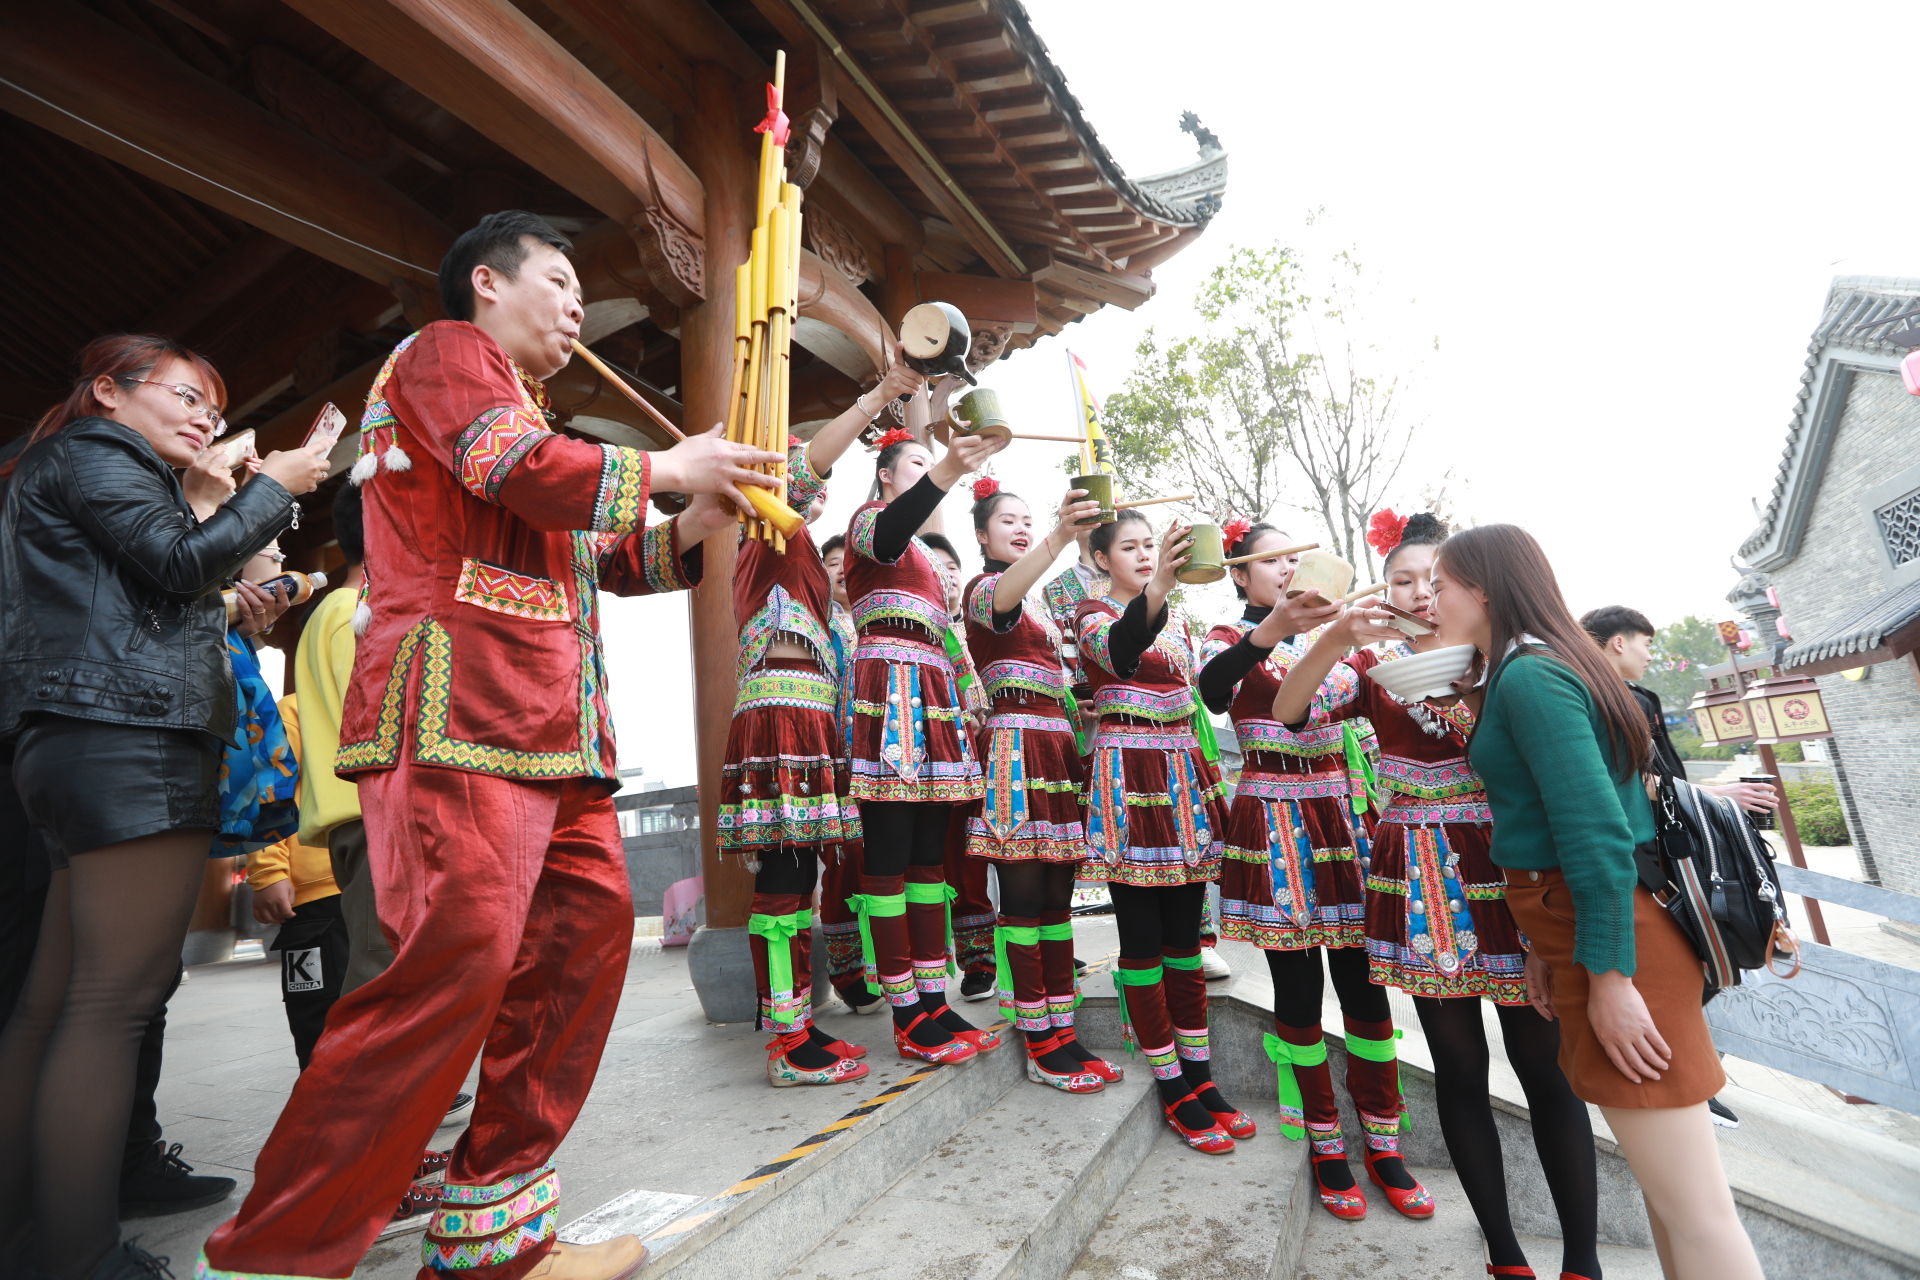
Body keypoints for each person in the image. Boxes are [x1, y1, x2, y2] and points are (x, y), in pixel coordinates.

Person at [199, 210, 783, 1280]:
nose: (574, 306)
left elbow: (619, 559)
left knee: (577, 954)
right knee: (448, 971)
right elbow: (514, 466)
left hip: (555, 729)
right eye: (557, 282)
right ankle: (273, 1252)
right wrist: (666, 460)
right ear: (485, 284)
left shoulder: (533, 412)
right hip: (457, 708)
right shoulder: (442, 356)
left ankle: (494, 1234)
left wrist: (703, 509)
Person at [0, 334, 330, 1280]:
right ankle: (78, 1254)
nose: (203, 418)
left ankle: (29, 1237)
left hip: (81, 740)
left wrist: (223, 533)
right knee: (110, 1007)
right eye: (185, 396)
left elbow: (153, 587)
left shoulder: (62, 466)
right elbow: (177, 562)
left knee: (53, 1007)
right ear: (107, 390)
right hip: (127, 741)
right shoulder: (98, 453)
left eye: (214, 411)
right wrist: (283, 485)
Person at [1435, 524, 1763, 1280]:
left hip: (1619, 946)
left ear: (1483, 589)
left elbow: (1595, 835)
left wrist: (1611, 977)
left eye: (1443, 584)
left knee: (1698, 1212)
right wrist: (1545, 952)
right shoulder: (1532, 667)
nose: (1431, 600)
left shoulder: (1531, 677)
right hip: (1579, 936)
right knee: (1671, 1202)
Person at [1277, 514, 1601, 1274]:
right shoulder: (1371, 672)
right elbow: (1290, 712)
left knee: (1547, 1070)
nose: (1421, 594)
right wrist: (1335, 638)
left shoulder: (1504, 662)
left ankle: (1582, 1261)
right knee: (1459, 1072)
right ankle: (1504, 1253)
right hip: (1416, 879)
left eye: (1436, 580)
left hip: (1509, 875)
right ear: (1381, 589)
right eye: (1403, 580)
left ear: (1467, 589)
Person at [1198, 521, 1426, 1219]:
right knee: (1296, 989)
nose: (1291, 568)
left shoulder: (1354, 642)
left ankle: (1383, 1143)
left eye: (1300, 558)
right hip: (1272, 822)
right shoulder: (1226, 640)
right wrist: (1274, 629)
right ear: (1241, 575)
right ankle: (1326, 1140)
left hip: (1342, 816)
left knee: (1363, 985)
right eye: (1274, 560)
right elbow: (1212, 691)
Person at [717, 354, 923, 1085]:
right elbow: (809, 465)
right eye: (797, 480)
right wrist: (877, 398)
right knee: (784, 877)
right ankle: (787, 1041)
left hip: (798, 712)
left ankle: (796, 1027)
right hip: (782, 710)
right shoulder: (768, 528)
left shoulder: (788, 543)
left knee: (794, 875)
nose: (814, 488)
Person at [1075, 512, 1248, 1152]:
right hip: (1126, 781)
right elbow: (1121, 652)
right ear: (1100, 558)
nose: (1145, 555)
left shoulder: (1176, 619)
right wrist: (1159, 591)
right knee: (1142, 938)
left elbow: (1203, 692)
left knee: (1184, 936)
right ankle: (1171, 1080)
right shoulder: (1092, 613)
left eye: (1152, 546)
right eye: (1130, 547)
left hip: (1179, 775)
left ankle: (1200, 1076)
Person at [843, 422, 1003, 1063]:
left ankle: (934, 1001)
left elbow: (951, 642)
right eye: (915, 463)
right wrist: (948, 470)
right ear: (886, 475)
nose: (928, 475)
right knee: (887, 853)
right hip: (889, 692)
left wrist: (968, 696)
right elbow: (886, 534)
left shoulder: (936, 564)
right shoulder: (867, 522)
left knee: (927, 857)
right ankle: (906, 1012)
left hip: (934, 701)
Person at [1581, 603, 1769, 1133]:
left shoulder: (1621, 696)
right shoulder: (1605, 699)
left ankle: (1687, 1082)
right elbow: (1638, 782)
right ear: (1617, 642)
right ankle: (1680, 1084)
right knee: (1695, 957)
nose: (1647, 654)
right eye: (1644, 643)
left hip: (1658, 849)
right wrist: (1715, 793)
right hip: (1646, 859)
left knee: (1694, 965)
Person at [962, 478, 1113, 1091]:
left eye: (1028, 521)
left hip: (1055, 749)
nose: (1020, 529)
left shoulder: (1043, 608)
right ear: (981, 535)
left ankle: (1063, 1030)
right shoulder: (984, 591)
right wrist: (1058, 535)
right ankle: (1038, 1039)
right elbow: (1006, 593)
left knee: (1057, 900)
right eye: (1008, 522)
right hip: (1014, 752)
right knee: (1023, 898)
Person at [248, 695, 349, 1070]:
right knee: (320, 1017)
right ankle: (323, 1112)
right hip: (316, 896)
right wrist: (269, 869)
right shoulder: (296, 708)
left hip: (381, 884)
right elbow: (269, 786)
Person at [920, 530, 998, 999]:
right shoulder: (920, 632)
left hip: (998, 752)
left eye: (951, 567)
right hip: (943, 755)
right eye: (935, 567)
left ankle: (1032, 943)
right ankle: (977, 961)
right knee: (959, 862)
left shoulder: (982, 623)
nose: (946, 576)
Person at [814, 532, 877, 1015]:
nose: (840, 569)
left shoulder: (879, 620)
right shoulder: (820, 623)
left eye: (847, 561)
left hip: (886, 760)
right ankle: (847, 970)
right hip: (839, 761)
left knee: (888, 863)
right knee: (845, 861)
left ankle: (891, 966)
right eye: (831, 562)